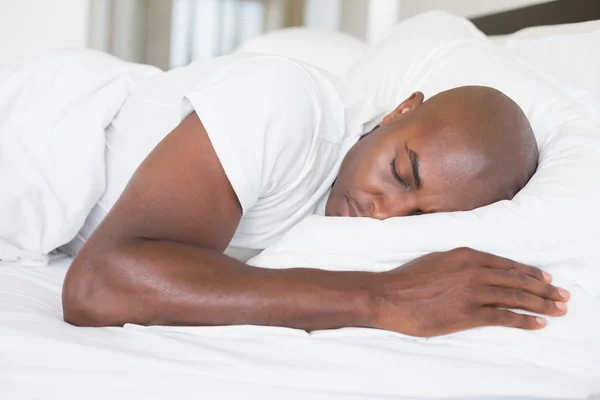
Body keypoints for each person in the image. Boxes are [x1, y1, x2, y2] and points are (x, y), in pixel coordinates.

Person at [61, 54, 569, 337]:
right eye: (399, 172)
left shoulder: (376, 220)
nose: (382, 215)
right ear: (398, 111)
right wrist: (381, 298)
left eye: (417, 218)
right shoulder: (281, 104)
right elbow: (97, 284)